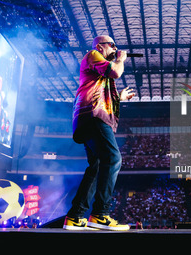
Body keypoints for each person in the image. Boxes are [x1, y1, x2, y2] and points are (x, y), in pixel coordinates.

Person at [63, 35, 135, 231]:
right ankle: (100, 214)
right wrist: (120, 59)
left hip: (89, 117)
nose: (114, 48)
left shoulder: (99, 72)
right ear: (100, 46)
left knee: (96, 166)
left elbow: (103, 93)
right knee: (113, 159)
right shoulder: (93, 55)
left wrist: (118, 97)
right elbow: (115, 72)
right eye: (111, 45)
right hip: (93, 115)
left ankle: (75, 216)